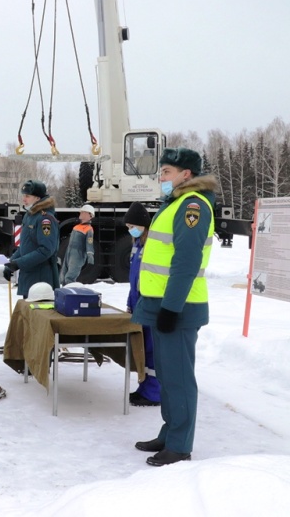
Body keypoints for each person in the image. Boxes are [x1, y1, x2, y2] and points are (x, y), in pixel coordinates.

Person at [132, 148, 216, 467]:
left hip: (178, 307)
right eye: (161, 172)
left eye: (166, 171)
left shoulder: (192, 206)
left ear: (186, 175)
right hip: (162, 304)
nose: (161, 178)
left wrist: (170, 308)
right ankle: (170, 432)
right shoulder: (175, 204)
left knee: (179, 377)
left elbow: (186, 262)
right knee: (167, 374)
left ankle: (180, 446)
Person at [123, 201, 160, 407]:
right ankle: (145, 387)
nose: (131, 231)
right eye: (128, 228)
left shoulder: (151, 245)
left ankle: (154, 393)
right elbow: (133, 277)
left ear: (143, 225)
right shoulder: (136, 246)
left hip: (149, 302)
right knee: (142, 348)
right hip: (138, 301)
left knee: (152, 349)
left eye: (133, 227)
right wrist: (130, 301)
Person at [3, 179, 59, 298]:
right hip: (29, 276)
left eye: (28, 196)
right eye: (24, 195)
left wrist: (18, 263)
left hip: (40, 279)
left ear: (38, 198)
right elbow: (25, 245)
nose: (24, 199)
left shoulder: (45, 219)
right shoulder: (30, 216)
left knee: (36, 315)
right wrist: (11, 262)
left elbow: (46, 250)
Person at [60, 204, 95, 285]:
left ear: (89, 215)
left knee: (70, 277)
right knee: (62, 275)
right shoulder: (76, 227)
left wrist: (90, 255)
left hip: (78, 255)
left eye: (83, 212)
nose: (81, 213)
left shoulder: (89, 229)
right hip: (69, 253)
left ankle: (70, 292)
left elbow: (89, 243)